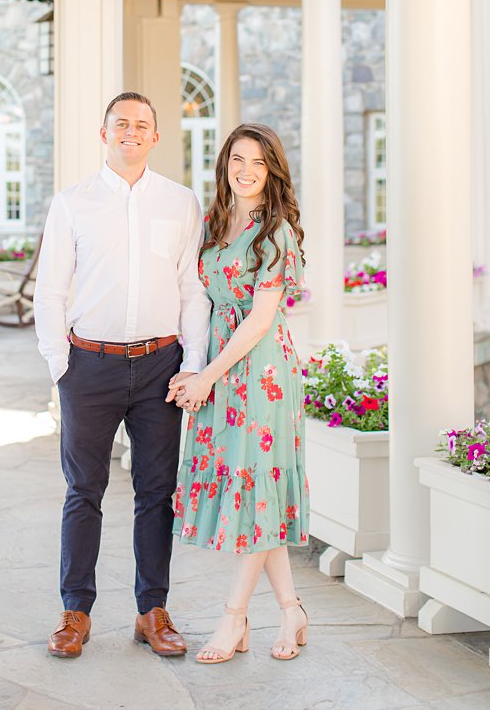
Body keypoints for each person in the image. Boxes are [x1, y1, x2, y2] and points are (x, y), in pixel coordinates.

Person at [32, 91, 211, 658]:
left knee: (157, 493)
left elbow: (193, 290)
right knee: (84, 490)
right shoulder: (72, 203)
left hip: (161, 366)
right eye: (121, 124)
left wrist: (193, 364)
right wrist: (62, 367)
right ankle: (75, 612)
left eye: (142, 125)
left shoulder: (181, 203)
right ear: (103, 134)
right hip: (89, 366)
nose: (131, 132)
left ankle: (151, 612)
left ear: (156, 137)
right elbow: (51, 291)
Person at [167, 122, 310, 663]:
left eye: (258, 162)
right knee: (254, 490)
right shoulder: (214, 221)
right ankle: (291, 608)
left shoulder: (277, 232)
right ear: (224, 164)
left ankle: (233, 619)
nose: (246, 171)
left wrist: (207, 376)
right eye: (237, 160)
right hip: (221, 369)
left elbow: (258, 322)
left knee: (254, 489)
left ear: (272, 170)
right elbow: (196, 298)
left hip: (262, 372)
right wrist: (193, 365)